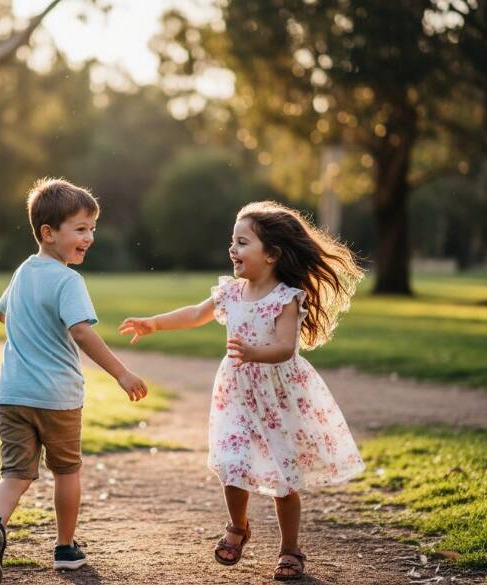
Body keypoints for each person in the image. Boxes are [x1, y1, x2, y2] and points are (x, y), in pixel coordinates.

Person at [119, 201, 364, 581]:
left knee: (284, 478)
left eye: (243, 242)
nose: (232, 249)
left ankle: (290, 549)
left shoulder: (286, 298)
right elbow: (195, 314)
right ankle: (238, 526)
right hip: (236, 393)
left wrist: (254, 353)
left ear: (272, 254)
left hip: (278, 396)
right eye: (233, 241)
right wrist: (153, 323)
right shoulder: (232, 292)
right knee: (232, 461)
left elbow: (285, 347)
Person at [0, 178, 148, 585]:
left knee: (15, 473)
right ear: (49, 233)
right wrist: (121, 372)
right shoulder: (68, 281)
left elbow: (3, 314)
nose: (89, 237)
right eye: (80, 229)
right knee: (67, 471)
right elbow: (82, 332)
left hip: (12, 394)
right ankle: (66, 548)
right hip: (58, 397)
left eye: (92, 229)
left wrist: (31, 327)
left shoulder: (22, 272)